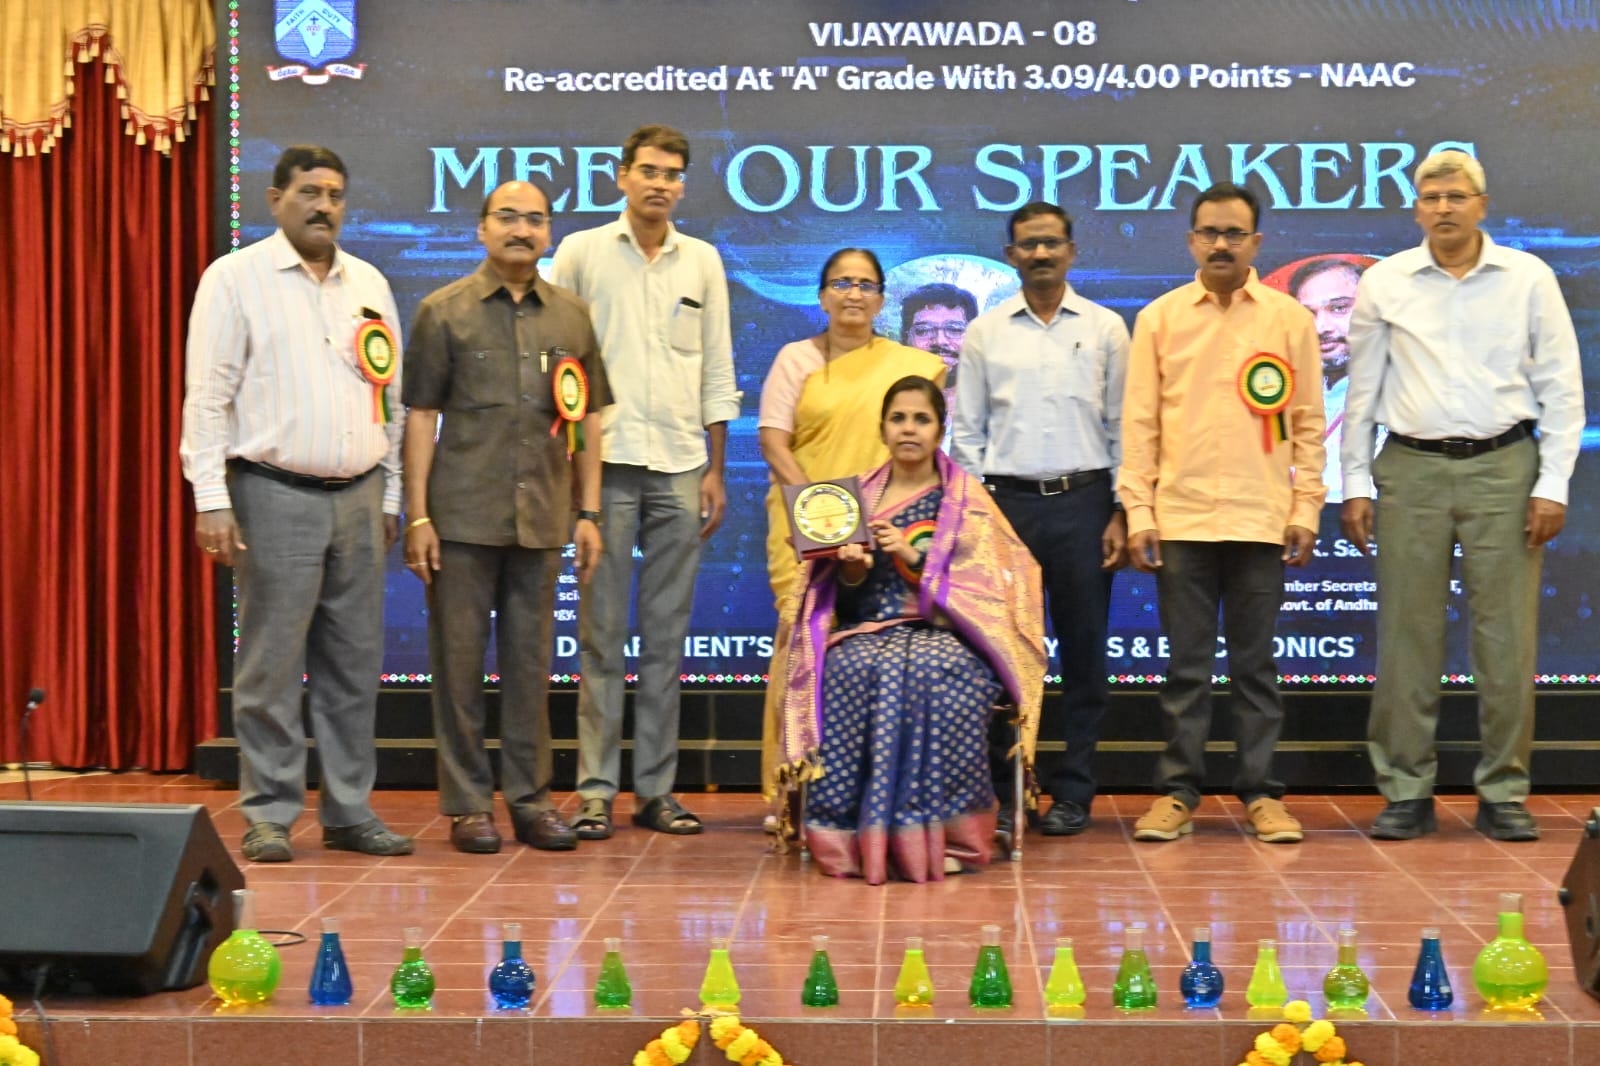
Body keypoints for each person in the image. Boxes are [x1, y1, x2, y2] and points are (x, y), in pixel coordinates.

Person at [1342, 150, 1584, 843]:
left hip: (1505, 468)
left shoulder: (1528, 278)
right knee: (1406, 640)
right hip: (1411, 469)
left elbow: (1563, 387)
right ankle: (1405, 790)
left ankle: (1504, 791)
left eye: (1456, 195)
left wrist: (1552, 484)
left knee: (1506, 641)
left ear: (1482, 204)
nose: (1444, 207)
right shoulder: (1386, 281)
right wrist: (1355, 483)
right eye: (1431, 197)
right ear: (1416, 208)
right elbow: (1362, 392)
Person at [180, 144, 413, 862]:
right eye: (310, 192)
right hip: (272, 494)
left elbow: (391, 399)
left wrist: (392, 491)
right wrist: (211, 497)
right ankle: (270, 813)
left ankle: (349, 812)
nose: (324, 207)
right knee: (272, 666)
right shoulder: (235, 278)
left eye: (335, 195)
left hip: (360, 497)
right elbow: (208, 397)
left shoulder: (368, 282)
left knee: (353, 666)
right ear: (275, 199)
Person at [401, 181, 611, 854]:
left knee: (530, 669)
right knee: (458, 669)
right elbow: (421, 416)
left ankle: (530, 800)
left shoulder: (572, 317)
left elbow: (588, 420)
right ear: (482, 228)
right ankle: (468, 805)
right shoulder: (443, 312)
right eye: (508, 217)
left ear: (549, 233)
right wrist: (417, 516)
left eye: (535, 219)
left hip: (543, 518)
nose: (522, 230)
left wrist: (588, 510)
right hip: (461, 519)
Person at [1120, 182, 1325, 846]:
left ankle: (1262, 795)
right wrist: (1139, 511)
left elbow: (1306, 423)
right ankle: (1177, 793)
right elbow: (1140, 424)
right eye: (1209, 232)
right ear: (1191, 241)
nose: (1221, 244)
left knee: (1255, 668)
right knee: (1186, 670)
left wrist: (1306, 506)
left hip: (1262, 518)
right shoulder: (1160, 319)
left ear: (1256, 243)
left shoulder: (1289, 320)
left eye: (1234, 233)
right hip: (1180, 520)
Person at [550, 124, 740, 838]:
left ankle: (657, 792)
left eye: (672, 174)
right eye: (649, 171)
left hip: (682, 466)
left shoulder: (702, 261)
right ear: (621, 175)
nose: (660, 184)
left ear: (683, 186)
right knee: (600, 637)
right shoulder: (581, 253)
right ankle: (595, 791)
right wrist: (574, 476)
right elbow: (560, 368)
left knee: (666, 638)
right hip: (603, 468)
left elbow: (716, 368)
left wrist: (716, 469)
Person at [779, 376, 1044, 884]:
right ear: (882, 428)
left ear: (940, 431)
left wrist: (912, 556)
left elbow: (991, 591)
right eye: (898, 418)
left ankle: (952, 839)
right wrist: (851, 568)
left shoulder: (964, 502)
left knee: (931, 670)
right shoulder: (852, 499)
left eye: (922, 419)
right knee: (850, 669)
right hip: (866, 632)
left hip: (949, 637)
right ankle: (848, 836)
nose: (908, 429)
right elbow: (841, 601)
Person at [951, 202, 1129, 839]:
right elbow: (967, 434)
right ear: (1011, 256)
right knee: (1003, 657)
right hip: (1006, 509)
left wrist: (1121, 510)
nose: (1041, 254)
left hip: (1086, 505)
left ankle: (1074, 790)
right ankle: (1007, 792)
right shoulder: (986, 332)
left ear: (1072, 252)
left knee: (1084, 654)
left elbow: (1122, 426)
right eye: (1029, 244)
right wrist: (976, 516)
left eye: (1052, 243)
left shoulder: (1106, 328)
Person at [757, 250, 945, 800]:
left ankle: (859, 788)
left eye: (865, 285)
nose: (854, 294)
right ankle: (789, 790)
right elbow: (773, 441)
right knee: (801, 643)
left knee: (862, 644)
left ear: (882, 300)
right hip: (803, 525)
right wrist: (819, 514)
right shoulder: (795, 359)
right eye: (841, 283)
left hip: (883, 525)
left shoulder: (909, 367)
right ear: (822, 297)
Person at [1286, 255, 1371, 504]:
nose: (1320, 327)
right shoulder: (1281, 395)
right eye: (1308, 313)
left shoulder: (1410, 395)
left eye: (1339, 308)